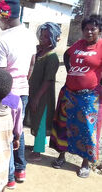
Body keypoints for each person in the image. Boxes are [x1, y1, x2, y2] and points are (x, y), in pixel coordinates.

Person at [49, 15, 102, 178]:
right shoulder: (77, 45)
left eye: (93, 28)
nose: (89, 32)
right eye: (86, 29)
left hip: (89, 98)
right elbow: (66, 56)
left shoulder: (101, 47)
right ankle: (61, 156)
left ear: (99, 30)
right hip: (69, 94)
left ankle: (85, 163)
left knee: (87, 130)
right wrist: (72, 72)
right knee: (65, 127)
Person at [0, 0, 37, 188]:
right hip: (23, 90)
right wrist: (23, 81)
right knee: (18, 131)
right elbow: (33, 63)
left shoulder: (3, 40)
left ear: (5, 17)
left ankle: (9, 177)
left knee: (6, 135)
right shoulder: (30, 35)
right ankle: (21, 169)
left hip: (7, 94)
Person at [24, 22, 61, 161]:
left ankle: (38, 151)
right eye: (41, 35)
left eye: (46, 37)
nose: (42, 39)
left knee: (41, 120)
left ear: (53, 38)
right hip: (34, 91)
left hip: (43, 95)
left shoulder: (52, 57)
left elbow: (48, 80)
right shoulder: (40, 53)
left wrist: (37, 98)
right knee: (35, 118)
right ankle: (36, 146)